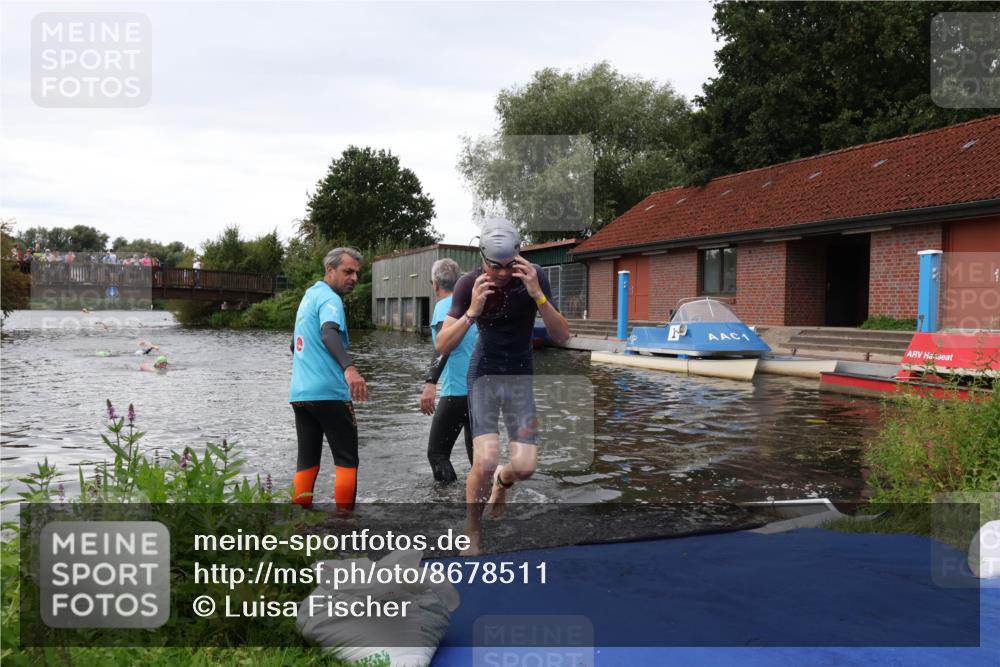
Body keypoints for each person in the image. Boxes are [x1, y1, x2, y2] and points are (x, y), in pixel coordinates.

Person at [436, 218, 570, 553]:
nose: (503, 273)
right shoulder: (469, 284)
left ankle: (503, 480)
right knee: (484, 460)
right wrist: (471, 312)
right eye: (496, 266)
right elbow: (442, 345)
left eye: (510, 265)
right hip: (484, 373)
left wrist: (538, 296)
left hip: (520, 374)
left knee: (525, 467)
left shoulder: (534, 276)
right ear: (482, 258)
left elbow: (562, 335)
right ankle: (472, 530)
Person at [289, 247, 368, 509]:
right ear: (329, 270)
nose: (354, 278)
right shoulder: (331, 300)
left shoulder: (309, 297)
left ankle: (299, 521)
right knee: (347, 461)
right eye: (348, 271)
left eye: (357, 273)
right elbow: (328, 333)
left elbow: (293, 345)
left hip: (301, 394)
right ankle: (344, 525)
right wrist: (349, 368)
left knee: (307, 461)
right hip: (330, 393)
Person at [420, 259, 478, 484]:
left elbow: (443, 348)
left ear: (435, 284)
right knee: (478, 459)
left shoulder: (444, 307)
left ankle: (447, 506)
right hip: (481, 391)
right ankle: (487, 503)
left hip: (457, 393)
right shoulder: (473, 306)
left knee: (437, 454)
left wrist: (430, 383)